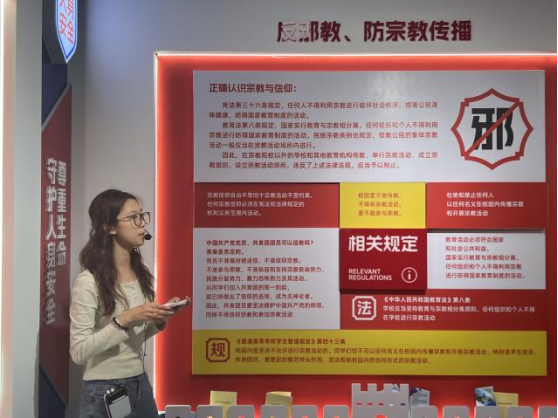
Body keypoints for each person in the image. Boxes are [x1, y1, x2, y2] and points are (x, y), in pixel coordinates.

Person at [70, 189, 186, 417]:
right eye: (133, 217)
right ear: (109, 227)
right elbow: (79, 351)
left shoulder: (141, 273)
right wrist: (126, 319)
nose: (141, 223)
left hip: (140, 383)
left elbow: (134, 336)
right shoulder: (88, 281)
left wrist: (159, 319)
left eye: (142, 216)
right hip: (104, 389)